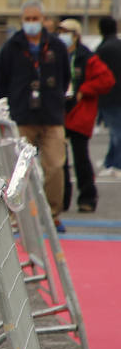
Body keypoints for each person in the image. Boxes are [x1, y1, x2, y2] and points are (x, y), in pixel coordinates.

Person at [0, 0, 70, 226]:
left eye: (36, 18)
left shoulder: (55, 46)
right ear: (21, 21)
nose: (32, 23)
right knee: (19, 169)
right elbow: (1, 81)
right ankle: (17, 214)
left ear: (43, 20)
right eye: (28, 19)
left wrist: (55, 98)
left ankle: (53, 213)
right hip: (22, 115)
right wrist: (11, 105)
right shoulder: (12, 47)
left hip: (51, 115)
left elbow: (65, 78)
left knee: (55, 165)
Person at [58, 18, 115, 213]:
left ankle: (87, 197)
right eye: (60, 32)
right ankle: (61, 199)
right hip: (60, 112)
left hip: (80, 113)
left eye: (66, 32)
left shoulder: (87, 57)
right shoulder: (56, 55)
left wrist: (85, 89)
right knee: (59, 161)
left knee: (81, 158)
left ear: (76, 35)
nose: (62, 36)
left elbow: (107, 79)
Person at [94, 15, 121, 179]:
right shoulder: (118, 45)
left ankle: (116, 164)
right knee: (115, 131)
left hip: (108, 96)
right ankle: (110, 162)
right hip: (117, 96)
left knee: (116, 131)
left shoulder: (103, 49)